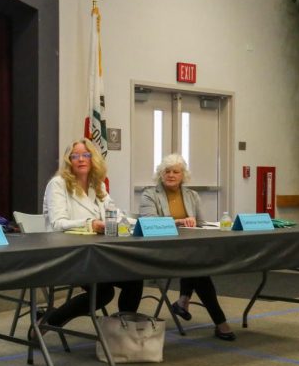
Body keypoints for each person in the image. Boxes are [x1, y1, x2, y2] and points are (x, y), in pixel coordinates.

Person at [40, 138, 143, 328]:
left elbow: (115, 215)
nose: (81, 159)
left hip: (99, 253)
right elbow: (57, 223)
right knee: (104, 292)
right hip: (68, 254)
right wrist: (91, 224)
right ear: (68, 160)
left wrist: (141, 224)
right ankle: (49, 323)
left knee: (135, 279)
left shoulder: (99, 185)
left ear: (93, 158)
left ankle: (124, 332)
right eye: (75, 156)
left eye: (86, 155)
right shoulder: (58, 184)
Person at [139, 154, 236, 341]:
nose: (171, 175)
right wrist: (178, 222)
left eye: (176, 171)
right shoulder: (149, 194)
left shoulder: (192, 196)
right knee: (198, 270)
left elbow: (200, 224)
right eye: (167, 171)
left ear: (183, 175)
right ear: (160, 174)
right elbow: (147, 222)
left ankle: (184, 301)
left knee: (195, 264)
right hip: (160, 250)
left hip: (187, 250)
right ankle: (220, 321)